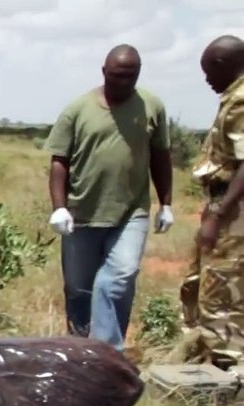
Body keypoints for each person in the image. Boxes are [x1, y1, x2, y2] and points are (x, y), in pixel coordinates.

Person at [44, 44, 175, 352]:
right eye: (117, 76)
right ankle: (80, 353)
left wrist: (166, 203)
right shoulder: (78, 110)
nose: (124, 82)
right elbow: (59, 160)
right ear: (104, 72)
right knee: (79, 290)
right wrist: (59, 208)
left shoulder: (151, 106)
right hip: (82, 212)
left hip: (131, 212)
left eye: (131, 76)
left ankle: (107, 355)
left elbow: (161, 156)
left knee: (116, 279)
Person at [182, 35, 244, 374]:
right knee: (204, 283)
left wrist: (218, 215)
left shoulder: (241, 99)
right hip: (224, 206)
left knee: (221, 293)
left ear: (222, 65)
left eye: (208, 72)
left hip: (233, 213)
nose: (206, 80)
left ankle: (228, 373)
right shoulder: (232, 97)